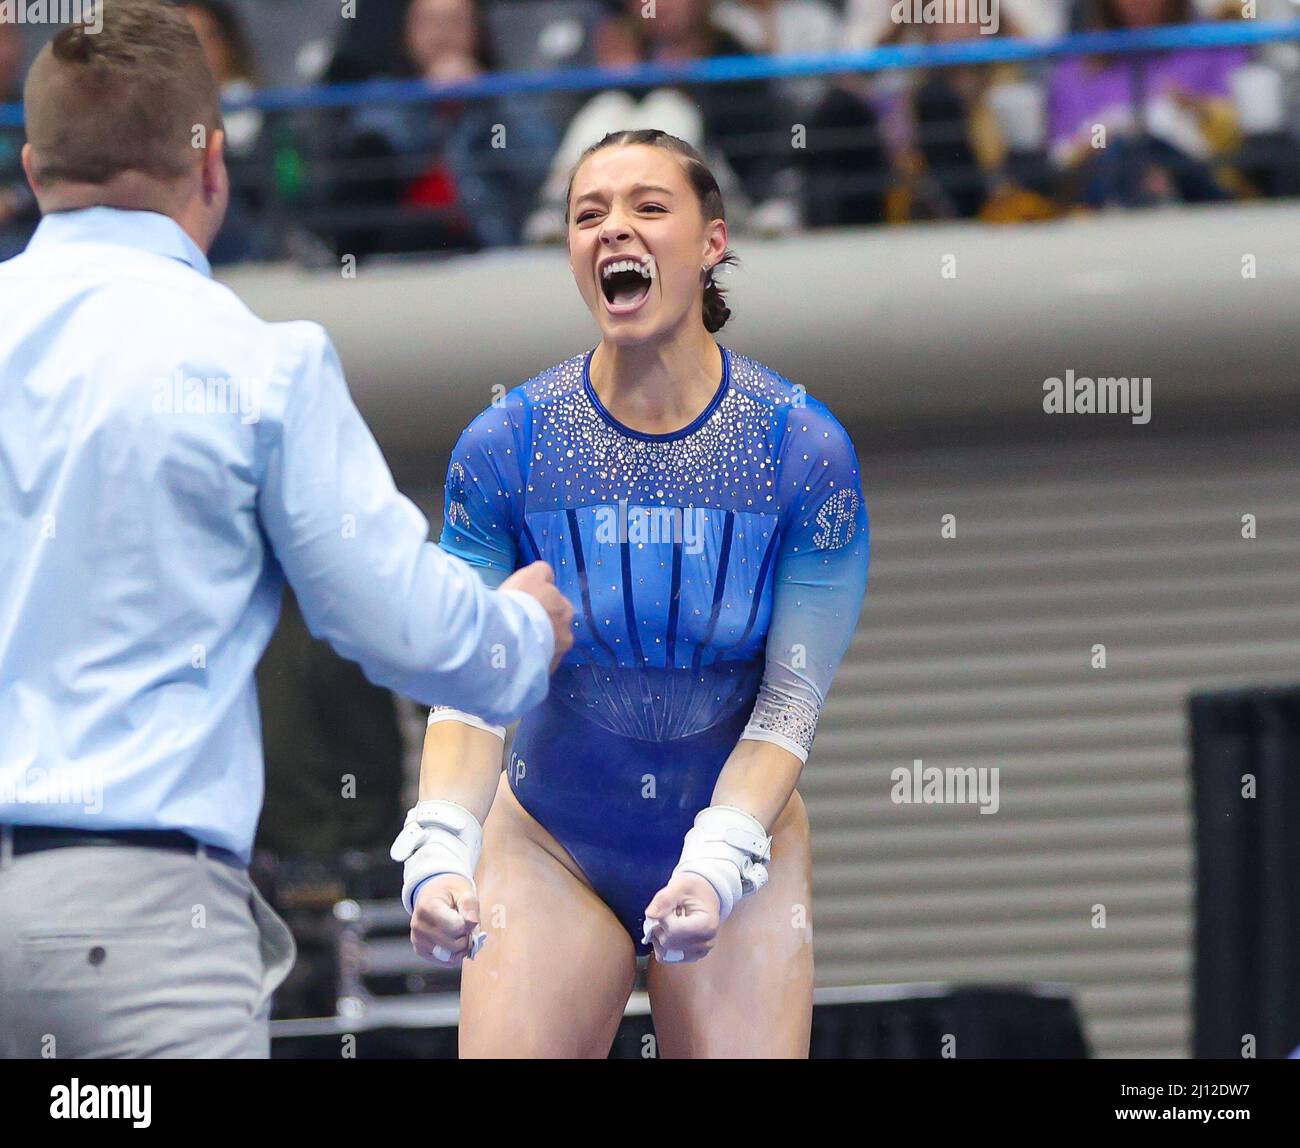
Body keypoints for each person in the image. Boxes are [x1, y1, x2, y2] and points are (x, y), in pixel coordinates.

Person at [0, 0, 572, 1059]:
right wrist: (522, 635)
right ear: (210, 165)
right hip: (142, 922)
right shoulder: (255, 365)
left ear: (33, 170)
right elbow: (399, 625)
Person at [393, 129, 869, 1057]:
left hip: (739, 831)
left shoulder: (801, 451)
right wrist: (441, 843)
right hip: (550, 841)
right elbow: (472, 685)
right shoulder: (507, 446)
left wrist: (722, 856)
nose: (615, 228)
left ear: (712, 242)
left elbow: (788, 705)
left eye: (649, 206)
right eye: (589, 213)